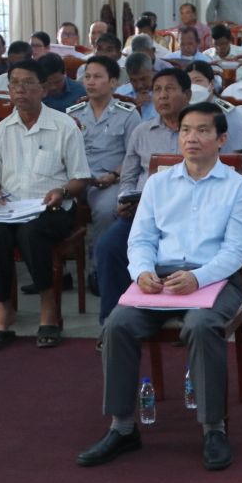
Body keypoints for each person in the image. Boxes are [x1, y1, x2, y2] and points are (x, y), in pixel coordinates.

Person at [77, 102, 242, 472]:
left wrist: (198, 278)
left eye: (203, 130)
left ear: (221, 139)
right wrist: (141, 271)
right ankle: (123, 427)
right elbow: (141, 238)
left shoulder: (238, 186)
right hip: (161, 279)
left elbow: (237, 251)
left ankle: (214, 429)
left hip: (214, 278)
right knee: (117, 324)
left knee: (201, 326)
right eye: (186, 130)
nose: (192, 138)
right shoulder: (158, 183)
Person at [0, 59, 92, 351]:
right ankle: (3, 314)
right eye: (14, 83)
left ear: (43, 89)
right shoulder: (1, 130)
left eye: (28, 83)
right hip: (11, 210)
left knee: (31, 232)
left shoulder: (64, 126)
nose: (20, 89)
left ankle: (48, 309)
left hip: (54, 209)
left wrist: (61, 191)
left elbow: (80, 178)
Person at [95, 69, 194, 324]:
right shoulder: (142, 131)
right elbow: (128, 177)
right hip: (144, 213)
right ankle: (112, 323)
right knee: (108, 247)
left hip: (189, 216)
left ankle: (181, 312)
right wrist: (124, 199)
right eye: (157, 90)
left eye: (169, 89)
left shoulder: (199, 132)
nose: (162, 95)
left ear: (187, 95)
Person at [67, 55, 142, 250]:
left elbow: (133, 155)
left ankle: (100, 263)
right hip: (76, 177)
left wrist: (115, 175)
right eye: (87, 77)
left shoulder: (128, 114)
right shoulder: (73, 114)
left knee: (106, 210)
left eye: (97, 77)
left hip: (109, 180)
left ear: (113, 82)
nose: (90, 82)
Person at [185, 62, 242, 154]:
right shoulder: (182, 107)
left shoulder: (226, 109)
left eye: (198, 81)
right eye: (189, 82)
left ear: (211, 84)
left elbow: (234, 150)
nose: (193, 86)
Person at [116, 53, 156, 119]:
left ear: (152, 71)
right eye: (133, 80)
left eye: (143, 79)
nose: (139, 85)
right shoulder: (121, 94)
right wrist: (134, 105)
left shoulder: (165, 94)